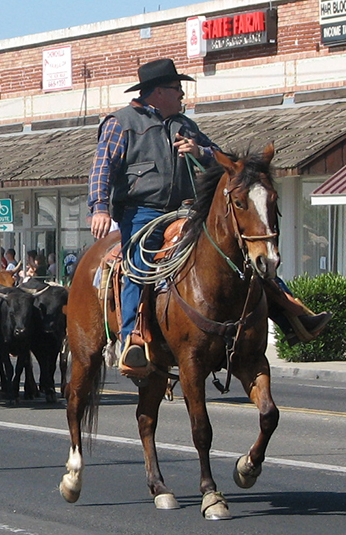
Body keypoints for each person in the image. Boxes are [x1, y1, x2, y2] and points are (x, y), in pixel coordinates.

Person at [89, 58, 331, 378]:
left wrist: (199, 151)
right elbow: (102, 167)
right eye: (177, 89)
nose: (182, 95)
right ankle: (131, 338)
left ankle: (292, 314)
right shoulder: (121, 123)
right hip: (143, 211)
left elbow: (228, 165)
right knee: (138, 264)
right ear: (158, 92)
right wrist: (100, 207)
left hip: (186, 208)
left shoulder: (186, 126)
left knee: (238, 249)